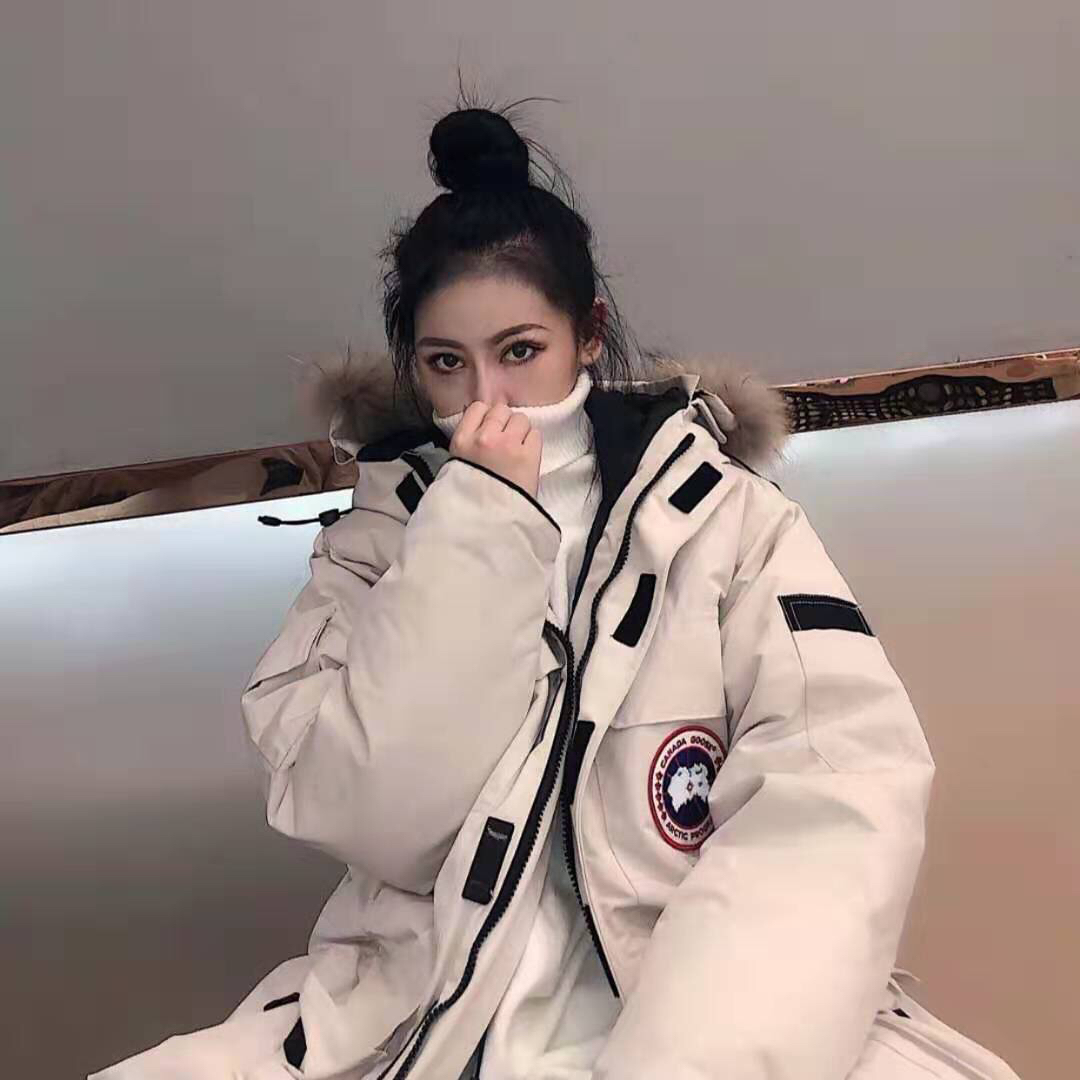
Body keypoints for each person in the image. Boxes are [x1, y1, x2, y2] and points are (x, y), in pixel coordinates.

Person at [89, 96, 1024, 1080]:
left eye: (520, 351)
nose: (485, 398)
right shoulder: (373, 549)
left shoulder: (727, 520)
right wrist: (477, 526)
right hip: (421, 1008)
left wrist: (690, 1063)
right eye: (446, 363)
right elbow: (382, 824)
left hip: (702, 1006)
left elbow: (836, 796)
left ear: (589, 335)